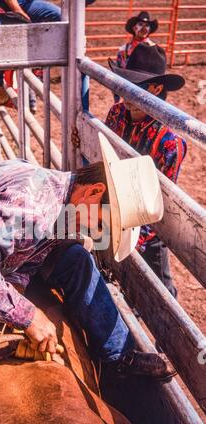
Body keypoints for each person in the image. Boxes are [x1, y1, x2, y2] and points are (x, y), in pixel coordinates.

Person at [0, 156, 175, 391]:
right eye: (102, 223)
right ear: (94, 192)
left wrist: (14, 305)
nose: (96, 233)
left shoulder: (60, 195)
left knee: (75, 257)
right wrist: (28, 316)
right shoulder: (32, 206)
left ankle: (119, 356)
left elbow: (27, 255)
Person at [106, 43, 186, 297]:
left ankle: (167, 331)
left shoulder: (169, 142)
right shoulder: (116, 114)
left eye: (136, 88)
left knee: (160, 290)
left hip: (147, 228)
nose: (127, 98)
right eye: (125, 86)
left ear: (157, 88)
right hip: (113, 211)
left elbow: (157, 201)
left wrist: (131, 240)